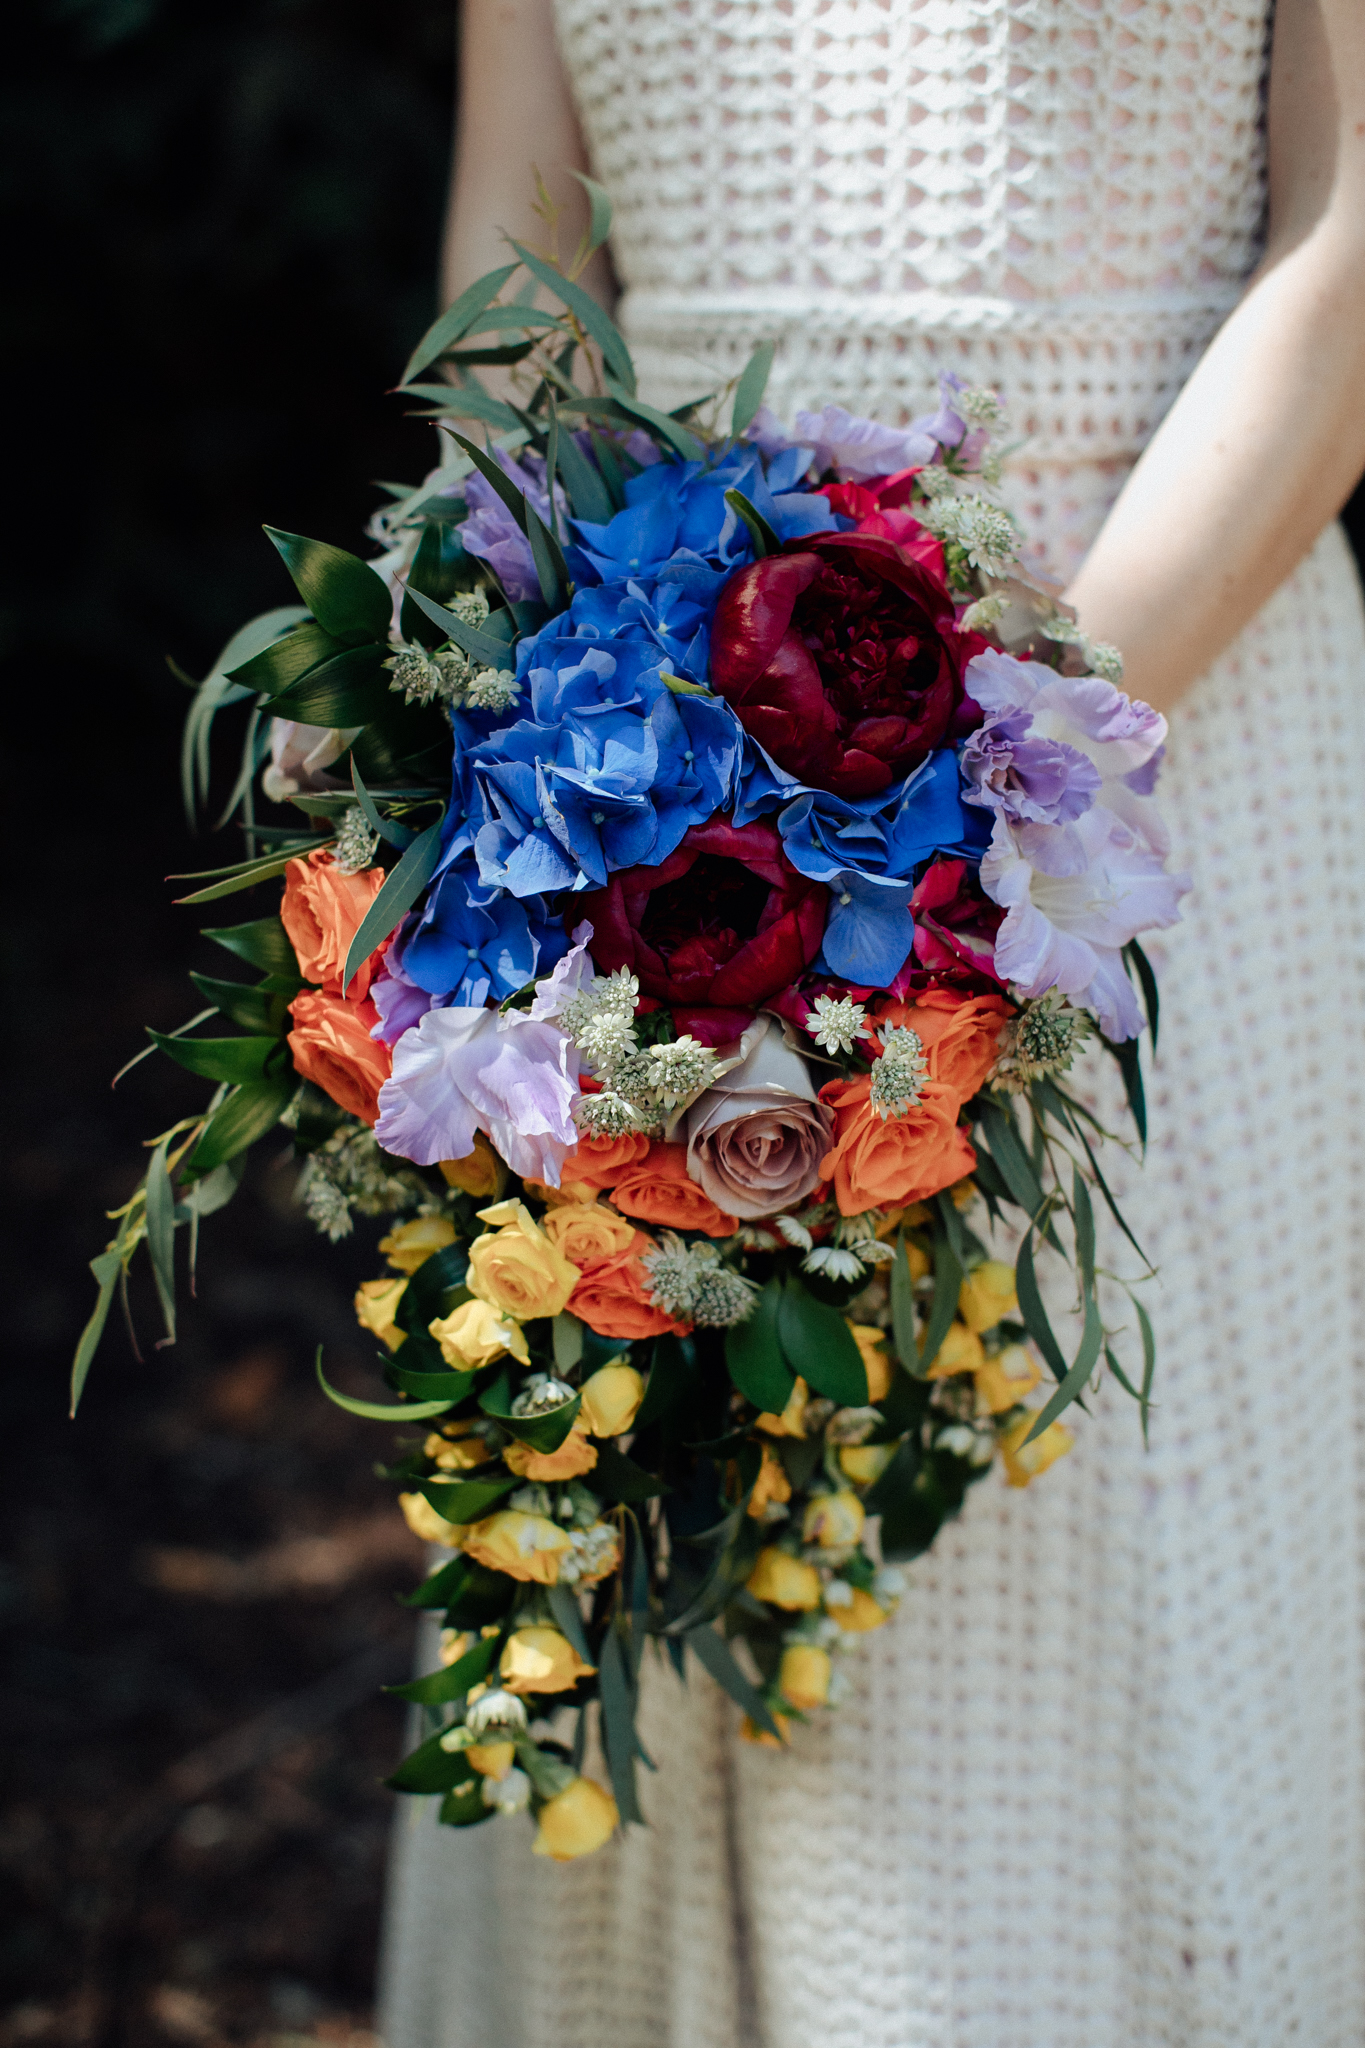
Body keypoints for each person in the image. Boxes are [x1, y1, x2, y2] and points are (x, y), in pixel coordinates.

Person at [379, 4, 1365, 2043]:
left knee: (1097, 1585)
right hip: (645, 777)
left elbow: (1341, 253)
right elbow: (524, 254)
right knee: (659, 1509)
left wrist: (982, 808)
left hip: (1146, 734)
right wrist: (516, 784)